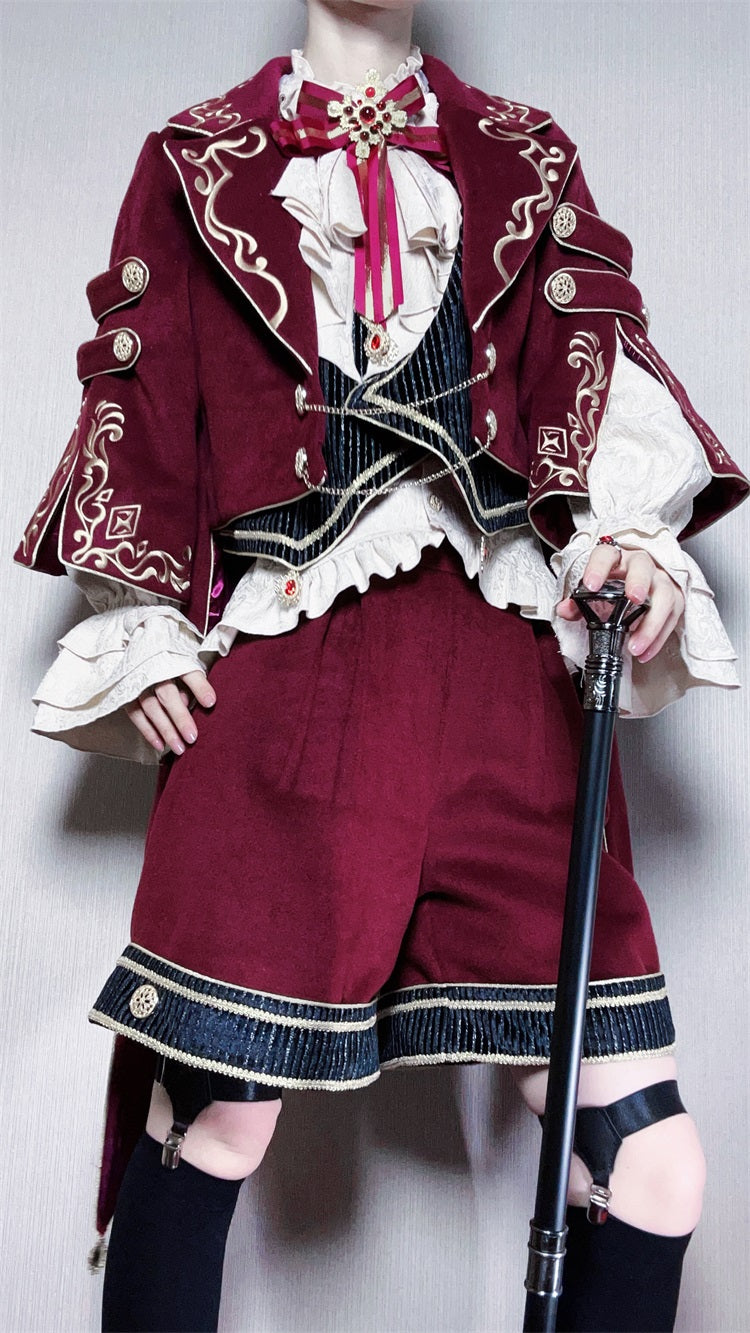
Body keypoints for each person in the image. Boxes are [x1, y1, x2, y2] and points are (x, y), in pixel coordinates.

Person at [14, 1, 747, 1330]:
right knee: (213, 1120)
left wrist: (626, 537)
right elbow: (140, 397)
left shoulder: (525, 152)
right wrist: (145, 618)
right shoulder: (196, 156)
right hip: (292, 680)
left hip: (510, 691)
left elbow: (593, 369)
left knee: (651, 1167)